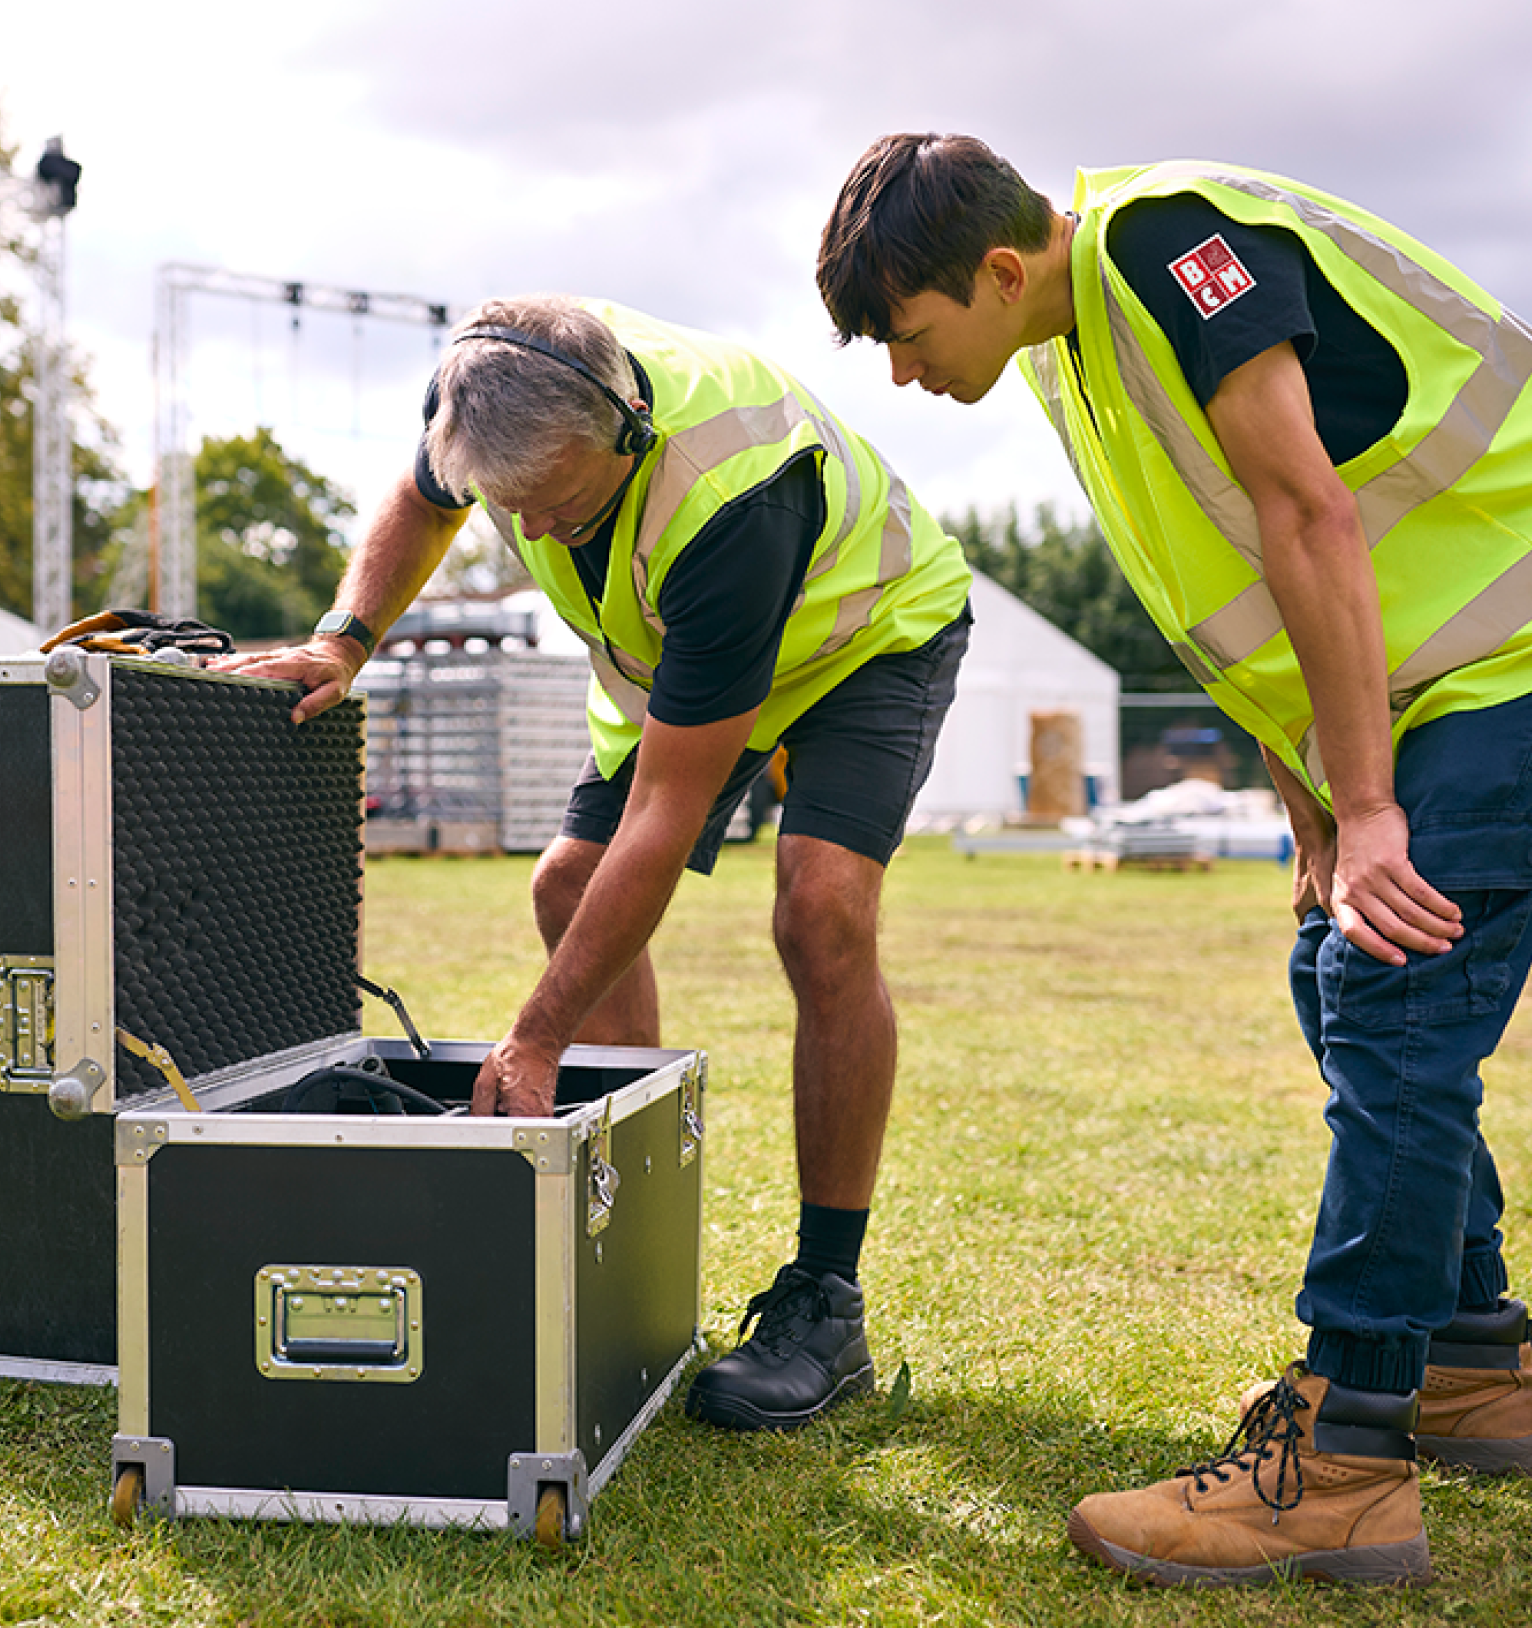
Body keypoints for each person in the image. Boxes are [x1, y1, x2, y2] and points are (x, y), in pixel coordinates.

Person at [817, 134, 1532, 1587]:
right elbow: (1226, 588)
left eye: (906, 333)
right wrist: (1315, 809)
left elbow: (1308, 512)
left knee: (1388, 981)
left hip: (1503, 658)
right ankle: (1467, 1357)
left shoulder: (1165, 242)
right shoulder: (1066, 351)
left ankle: (1343, 1459)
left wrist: (1375, 803)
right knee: (1332, 962)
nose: (899, 373)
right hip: (1439, 682)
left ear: (1001, 272)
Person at [214, 294, 973, 1432]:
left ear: (627, 427)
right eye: (519, 512)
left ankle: (827, 1300)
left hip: (862, 632)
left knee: (821, 911)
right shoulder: (480, 394)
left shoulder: (731, 499)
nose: (550, 534)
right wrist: (345, 637)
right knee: (567, 883)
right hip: (670, 653)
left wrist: (539, 1035)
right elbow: (424, 507)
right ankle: (641, 1255)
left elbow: (666, 818)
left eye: (567, 505)